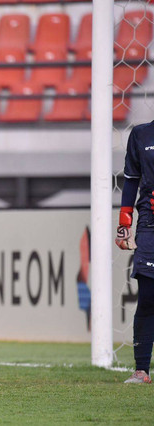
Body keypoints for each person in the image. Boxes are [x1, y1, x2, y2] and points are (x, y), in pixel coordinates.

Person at [116, 121, 154, 384]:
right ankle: (141, 369)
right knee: (149, 297)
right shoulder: (141, 134)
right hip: (149, 224)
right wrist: (124, 224)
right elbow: (131, 179)